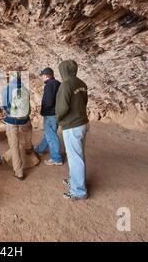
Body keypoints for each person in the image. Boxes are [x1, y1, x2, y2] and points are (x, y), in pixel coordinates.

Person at [55, 60, 89, 200]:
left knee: (75, 157)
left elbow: (62, 108)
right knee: (78, 155)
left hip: (72, 125)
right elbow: (84, 101)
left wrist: (58, 118)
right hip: (82, 123)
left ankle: (79, 191)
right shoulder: (82, 83)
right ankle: (74, 180)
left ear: (63, 70)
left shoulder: (66, 84)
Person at [0, 71, 34, 180]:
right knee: (22, 141)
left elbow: (4, 106)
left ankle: (19, 172)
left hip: (12, 121)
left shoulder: (6, 90)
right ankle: (8, 156)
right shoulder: (25, 89)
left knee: (14, 145)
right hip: (24, 120)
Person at [35, 67, 63, 166]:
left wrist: (43, 111)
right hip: (57, 114)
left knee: (52, 136)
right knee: (50, 134)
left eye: (42, 75)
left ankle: (57, 158)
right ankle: (40, 149)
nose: (42, 77)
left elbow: (49, 101)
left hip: (50, 114)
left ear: (46, 75)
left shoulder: (49, 85)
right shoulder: (58, 84)